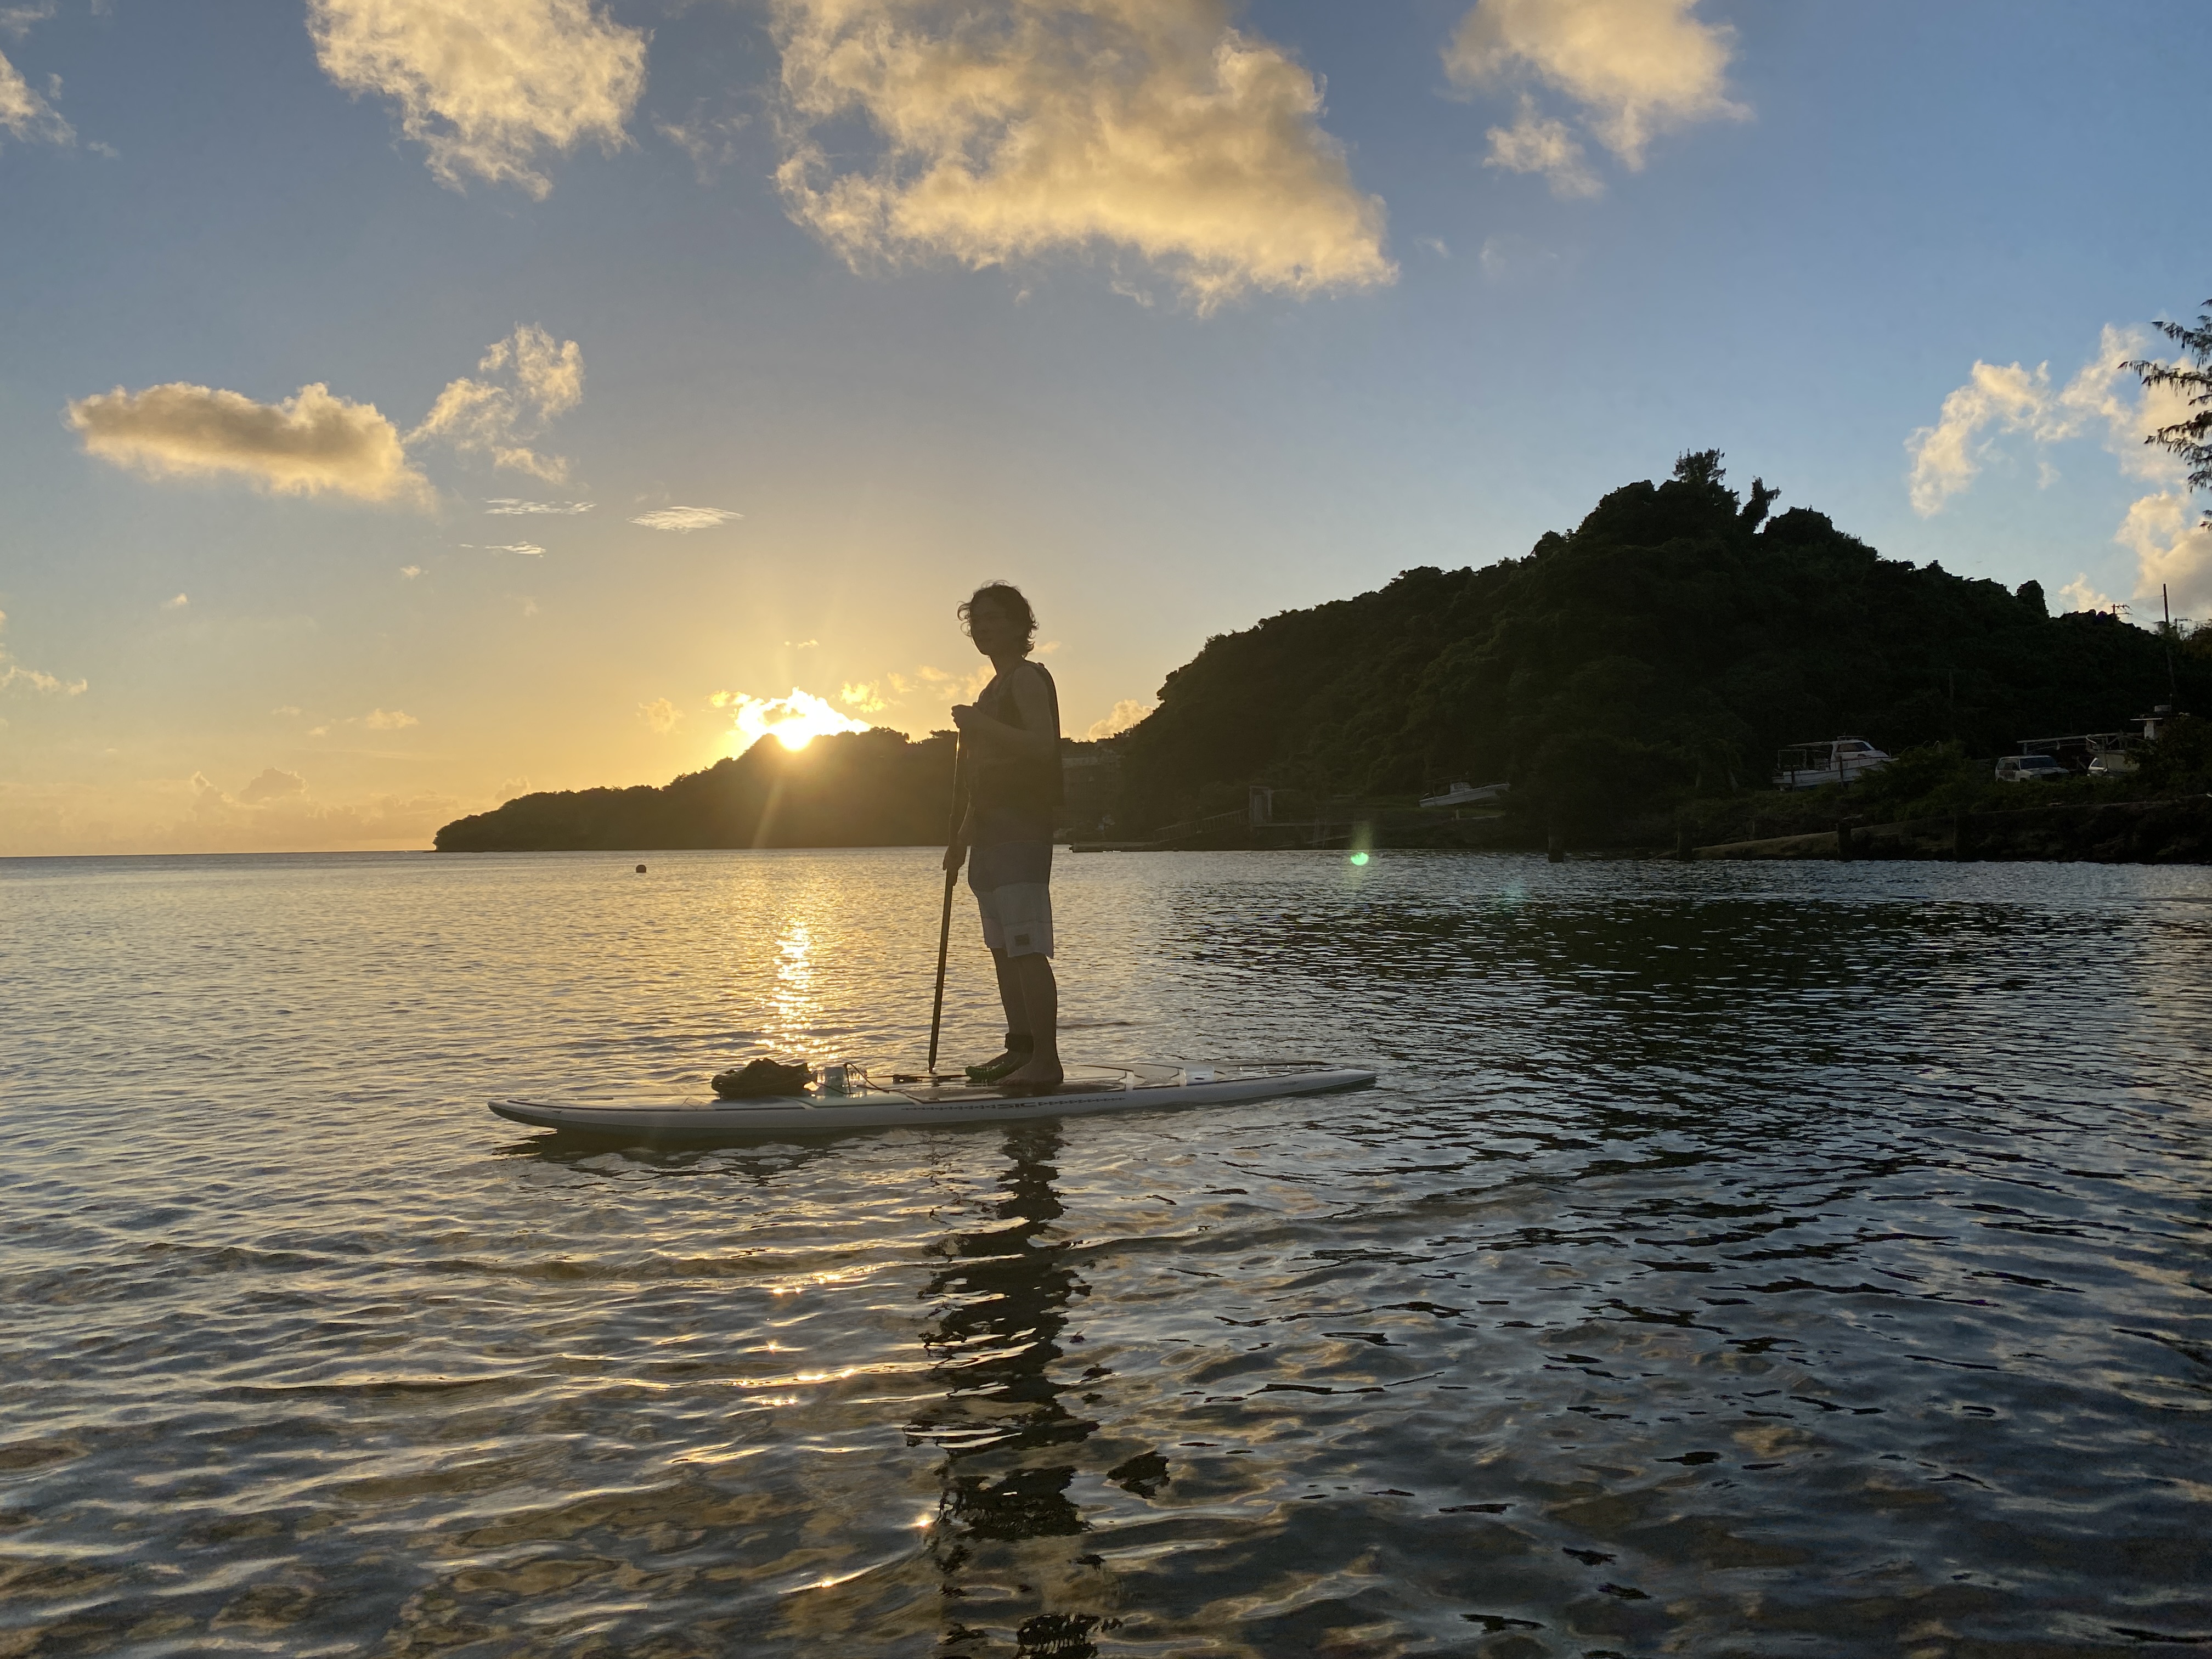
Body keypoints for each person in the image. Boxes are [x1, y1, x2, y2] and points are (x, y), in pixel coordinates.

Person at [945, 582, 1063, 1088]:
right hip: (989, 834)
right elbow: (983, 779)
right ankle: (1021, 1049)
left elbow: (1043, 747)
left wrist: (979, 725)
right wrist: (961, 839)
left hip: (1022, 829)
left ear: (1020, 626)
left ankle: (1047, 1061)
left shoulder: (1027, 679)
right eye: (978, 621)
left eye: (995, 618)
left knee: (1025, 945)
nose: (984, 628)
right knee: (1001, 946)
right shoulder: (990, 692)